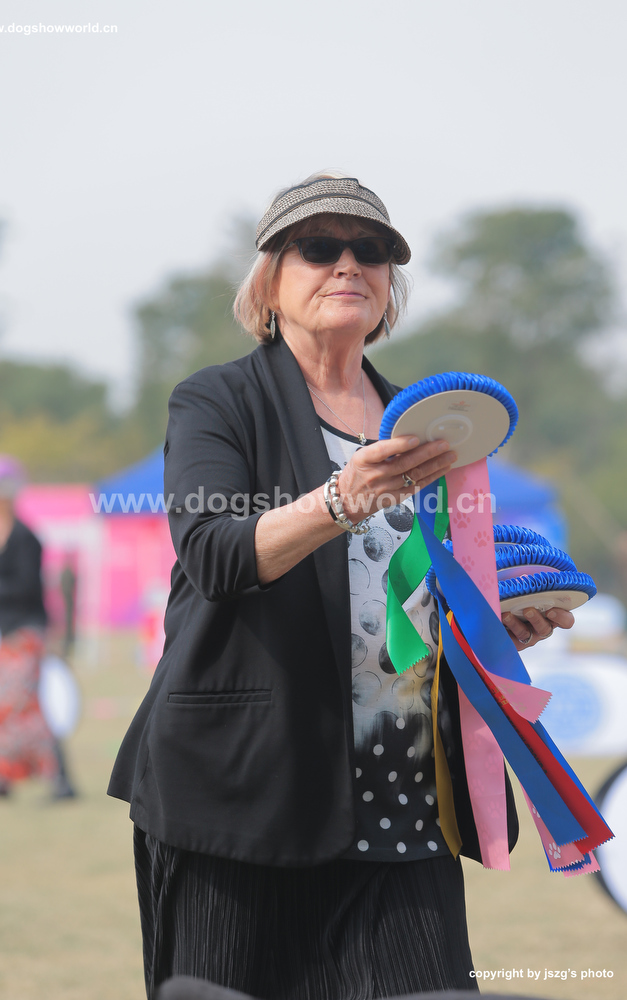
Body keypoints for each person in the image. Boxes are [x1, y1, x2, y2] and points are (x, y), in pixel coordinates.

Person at [108, 173, 572, 1000]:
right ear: (268, 282)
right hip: (243, 793)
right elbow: (213, 555)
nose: (347, 263)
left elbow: (419, 604)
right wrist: (339, 500)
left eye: (372, 251)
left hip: (403, 800)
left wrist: (489, 630)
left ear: (390, 285)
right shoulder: (217, 400)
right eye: (318, 247)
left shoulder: (429, 427)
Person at [0, 454, 75, 799]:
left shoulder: (24, 537)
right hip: (4, 631)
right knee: (1, 703)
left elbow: (29, 587)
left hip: (25, 631)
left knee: (23, 704)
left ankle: (59, 779)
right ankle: (4, 778)